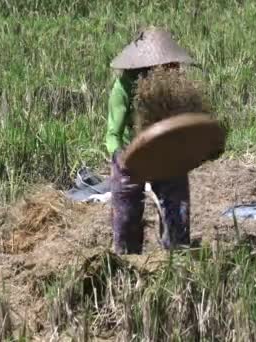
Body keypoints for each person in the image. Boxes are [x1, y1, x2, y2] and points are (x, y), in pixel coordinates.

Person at [105, 27, 199, 255]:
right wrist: (119, 155)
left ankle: (177, 252)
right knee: (126, 213)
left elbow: (187, 122)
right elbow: (113, 134)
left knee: (176, 208)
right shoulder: (124, 87)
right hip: (131, 153)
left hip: (165, 151)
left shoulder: (175, 86)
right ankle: (127, 255)